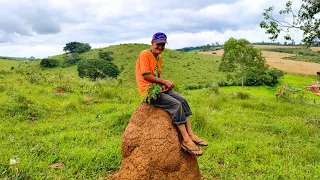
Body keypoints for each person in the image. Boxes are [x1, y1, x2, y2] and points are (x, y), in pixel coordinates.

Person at [135, 32, 208, 156]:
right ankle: (185, 140)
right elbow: (146, 76)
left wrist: (162, 84)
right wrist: (164, 81)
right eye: (158, 44)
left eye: (163, 44)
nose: (160, 47)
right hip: (148, 92)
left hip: (158, 88)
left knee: (183, 100)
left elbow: (156, 75)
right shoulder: (145, 54)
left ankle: (191, 134)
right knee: (176, 105)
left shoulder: (159, 57)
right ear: (152, 43)